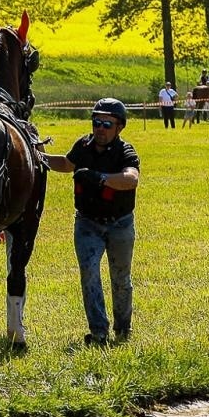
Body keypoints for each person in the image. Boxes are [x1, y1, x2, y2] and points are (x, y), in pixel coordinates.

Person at [46, 98, 140, 347]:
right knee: (89, 273)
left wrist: (99, 178)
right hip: (87, 223)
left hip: (120, 224)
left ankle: (123, 328)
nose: (100, 128)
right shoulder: (84, 146)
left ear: (120, 127)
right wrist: (37, 156)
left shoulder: (125, 151)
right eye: (96, 122)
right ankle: (98, 332)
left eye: (106, 124)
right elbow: (66, 164)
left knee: (121, 279)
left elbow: (130, 180)